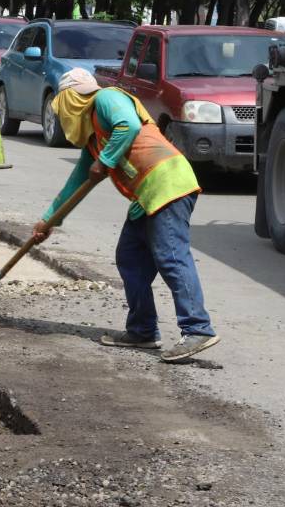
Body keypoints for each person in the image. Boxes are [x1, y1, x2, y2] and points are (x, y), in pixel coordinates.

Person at [31, 67, 220, 363]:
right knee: (130, 258)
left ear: (71, 99)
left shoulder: (106, 98)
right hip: (145, 196)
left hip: (166, 182)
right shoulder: (93, 140)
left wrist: (106, 160)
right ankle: (142, 330)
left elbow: (128, 124)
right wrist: (48, 221)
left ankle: (198, 329)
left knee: (171, 256)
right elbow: (76, 184)